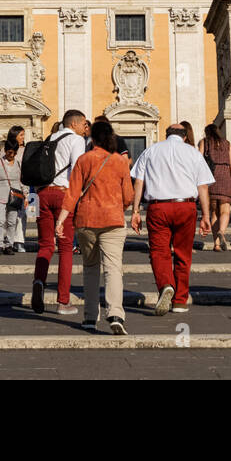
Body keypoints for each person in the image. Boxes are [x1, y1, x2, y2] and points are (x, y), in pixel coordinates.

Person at [55, 120, 134, 335]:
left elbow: (72, 194)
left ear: (92, 138)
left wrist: (61, 220)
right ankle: (116, 314)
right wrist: (120, 207)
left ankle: (90, 317)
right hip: (113, 220)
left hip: (86, 221)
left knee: (90, 269)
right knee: (113, 269)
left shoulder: (84, 159)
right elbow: (129, 195)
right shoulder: (120, 161)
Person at [130, 124, 214, 315]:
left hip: (158, 206)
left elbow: (139, 181)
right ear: (184, 137)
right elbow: (203, 186)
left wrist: (135, 211)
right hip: (186, 206)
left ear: (166, 135)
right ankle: (180, 301)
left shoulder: (151, 150)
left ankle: (166, 285)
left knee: (159, 252)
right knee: (184, 254)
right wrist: (206, 216)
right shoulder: (193, 153)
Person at [31, 109, 89, 315]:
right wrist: (79, 196)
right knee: (65, 247)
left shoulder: (50, 137)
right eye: (84, 124)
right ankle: (63, 301)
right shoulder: (76, 140)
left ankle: (39, 281)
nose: (85, 128)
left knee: (45, 244)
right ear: (74, 124)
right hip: (63, 194)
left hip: (43, 193)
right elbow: (78, 170)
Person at [201, 123, 231, 251]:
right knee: (225, 210)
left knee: (214, 212)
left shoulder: (204, 142)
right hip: (225, 174)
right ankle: (222, 231)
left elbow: (199, 161)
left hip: (210, 176)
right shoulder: (227, 143)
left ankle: (216, 243)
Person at [0, 134, 23, 255]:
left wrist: (26, 195)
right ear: (5, 151)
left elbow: (21, 180)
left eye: (14, 153)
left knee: (12, 221)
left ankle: (9, 244)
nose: (11, 155)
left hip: (15, 194)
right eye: (9, 153)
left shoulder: (19, 164)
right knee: (0, 219)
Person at [7, 125, 30, 252]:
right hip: (11, 183)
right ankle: (11, 239)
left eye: (23, 135)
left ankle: (20, 240)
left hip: (24, 183)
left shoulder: (26, 150)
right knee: (11, 214)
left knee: (23, 214)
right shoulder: (7, 150)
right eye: (21, 135)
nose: (23, 137)